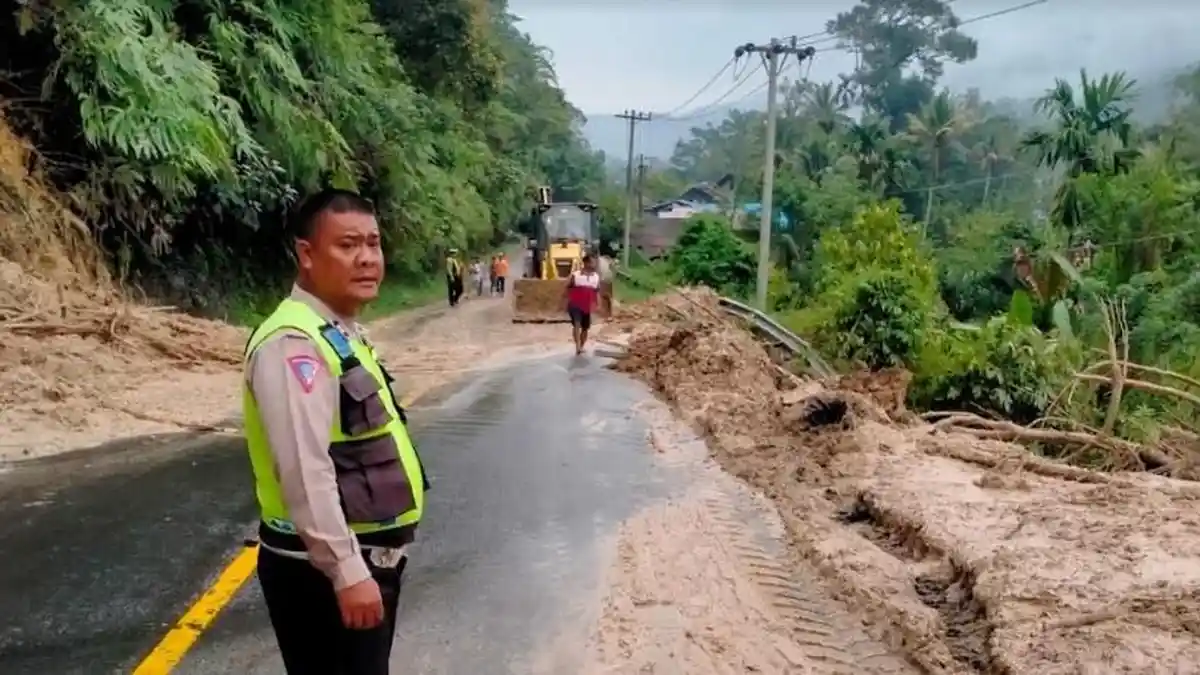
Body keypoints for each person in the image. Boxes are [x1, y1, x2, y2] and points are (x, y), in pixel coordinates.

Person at [242, 188, 429, 675]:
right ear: (307, 254)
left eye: (373, 243)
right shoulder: (293, 342)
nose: (366, 258)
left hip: (353, 560)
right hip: (319, 572)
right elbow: (304, 468)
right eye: (347, 245)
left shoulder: (336, 329)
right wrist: (346, 571)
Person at [563, 254, 601, 355]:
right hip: (575, 303)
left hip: (587, 305)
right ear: (586, 263)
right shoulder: (576, 275)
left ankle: (582, 345)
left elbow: (597, 291)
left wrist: (598, 304)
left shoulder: (596, 277)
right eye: (592, 262)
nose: (594, 264)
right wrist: (564, 300)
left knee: (585, 327)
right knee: (577, 324)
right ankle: (578, 346)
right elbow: (567, 287)